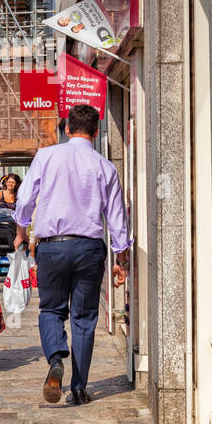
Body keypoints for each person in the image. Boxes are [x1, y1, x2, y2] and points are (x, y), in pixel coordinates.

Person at [13, 104, 131, 406]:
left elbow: (25, 198)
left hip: (53, 245)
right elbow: (117, 217)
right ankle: (79, 387)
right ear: (95, 132)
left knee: (51, 310)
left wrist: (22, 231)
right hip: (89, 248)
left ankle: (55, 358)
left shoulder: (47, 156)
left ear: (67, 129)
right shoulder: (105, 166)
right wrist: (121, 259)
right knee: (84, 318)